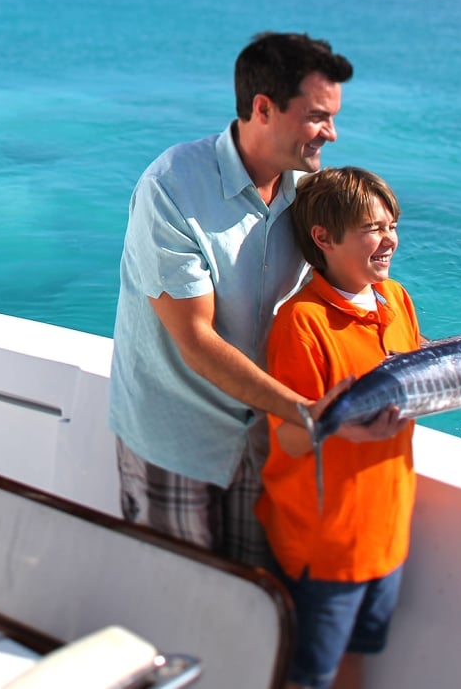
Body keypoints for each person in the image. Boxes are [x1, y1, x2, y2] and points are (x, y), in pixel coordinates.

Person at [109, 32, 405, 568]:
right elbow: (197, 341)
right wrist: (310, 414)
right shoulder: (171, 188)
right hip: (180, 442)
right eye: (318, 116)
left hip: (270, 438)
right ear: (263, 108)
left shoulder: (314, 194)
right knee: (178, 602)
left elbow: (357, 299)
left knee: (257, 605)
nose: (332, 134)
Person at [258, 167, 461, 689]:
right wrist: (341, 429)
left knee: (358, 661)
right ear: (323, 238)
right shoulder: (302, 322)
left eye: (393, 225)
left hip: (386, 532)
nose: (389, 240)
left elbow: (427, 370)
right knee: (305, 676)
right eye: (372, 228)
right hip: (324, 544)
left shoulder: (395, 299)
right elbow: (290, 436)